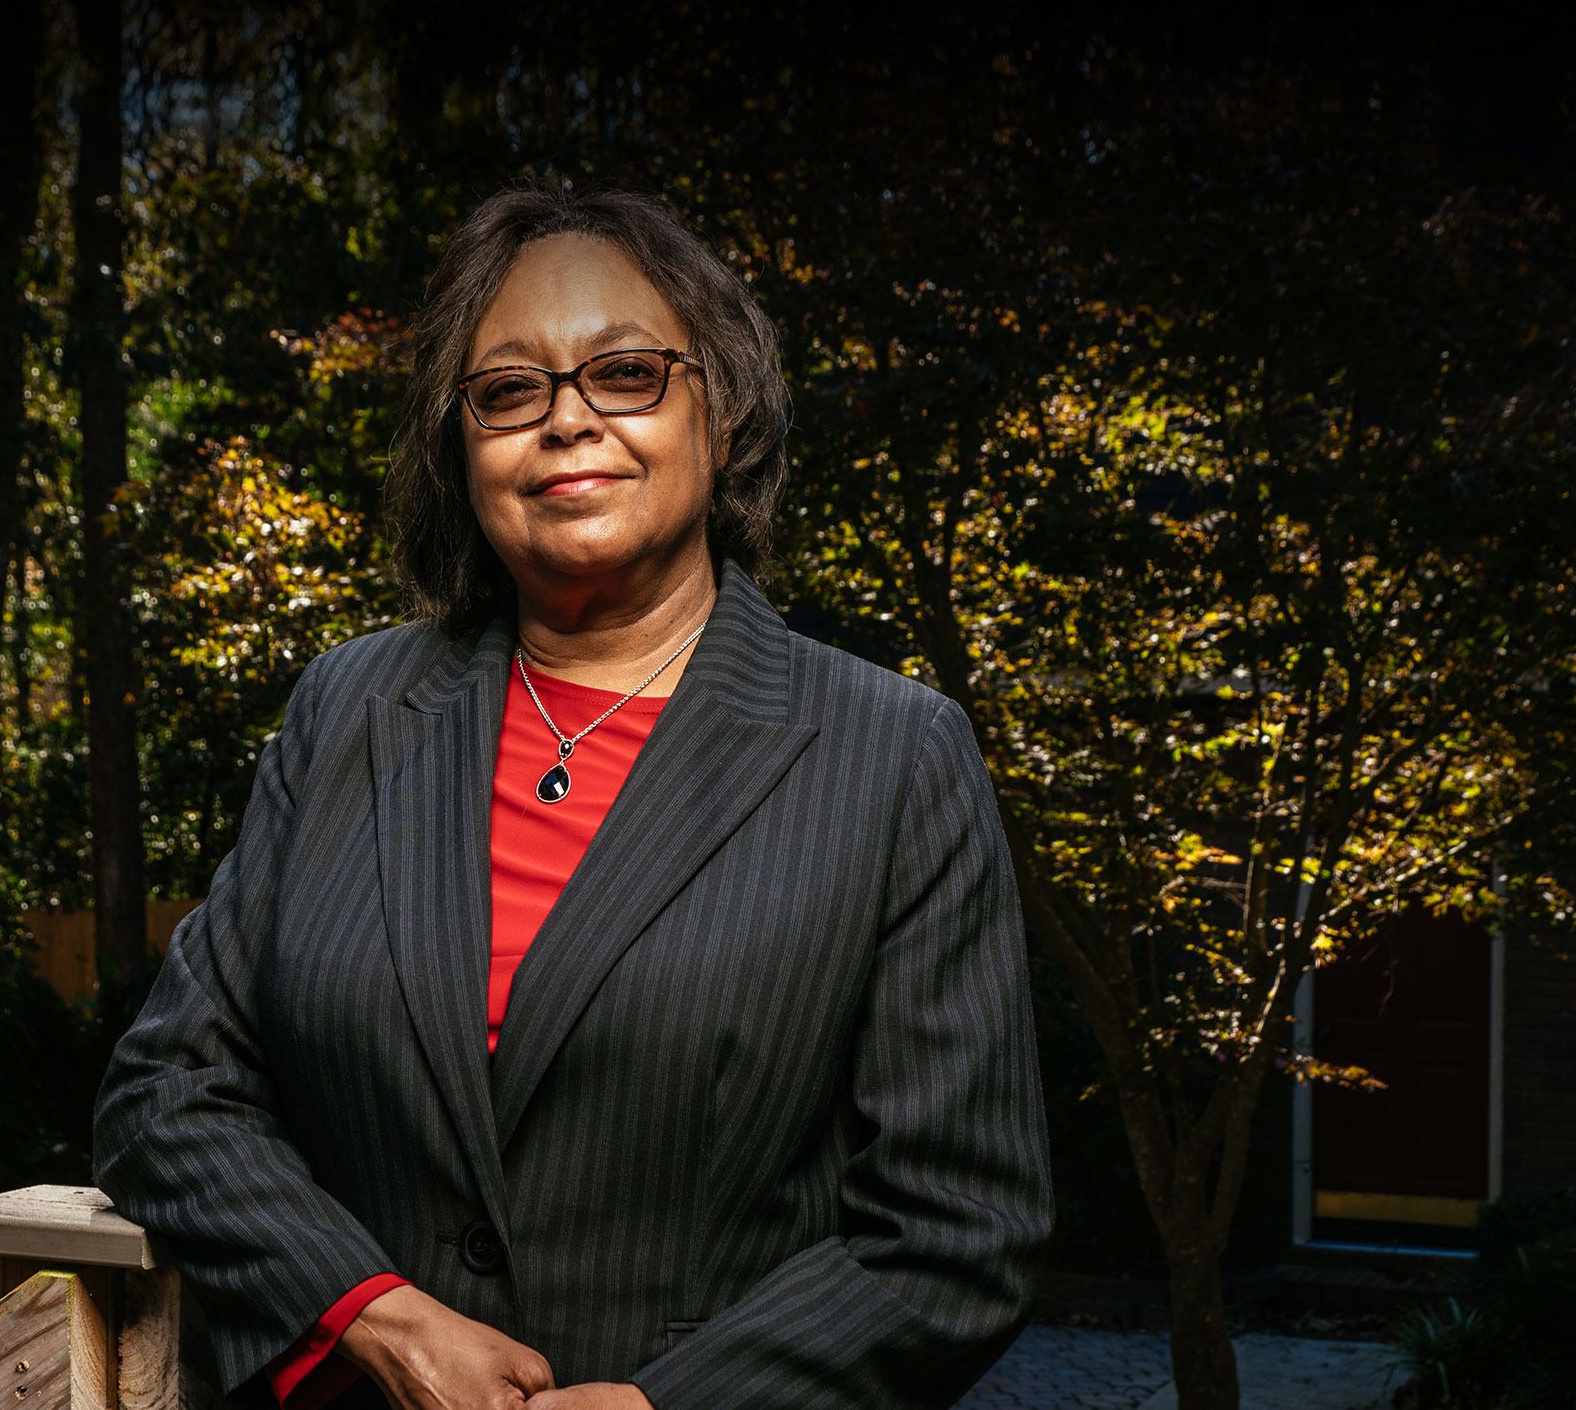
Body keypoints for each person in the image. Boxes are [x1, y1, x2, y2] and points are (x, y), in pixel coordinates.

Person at [92, 180, 1054, 1410]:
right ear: (462, 447)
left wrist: (671, 1406)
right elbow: (167, 1088)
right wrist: (374, 1314)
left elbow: (956, 1230)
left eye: (626, 375)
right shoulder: (350, 708)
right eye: (507, 392)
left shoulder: (891, 755)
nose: (565, 422)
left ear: (725, 406)